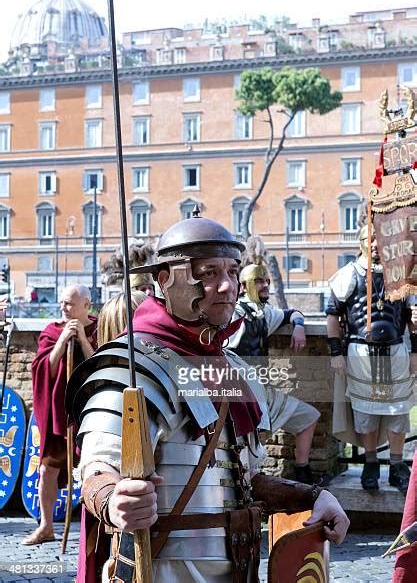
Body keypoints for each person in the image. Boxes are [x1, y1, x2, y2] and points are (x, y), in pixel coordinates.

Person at [66, 212, 349, 582]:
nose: (227, 285)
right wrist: (114, 501)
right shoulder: (132, 366)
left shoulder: (230, 367)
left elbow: (239, 481)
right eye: (209, 272)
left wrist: (312, 497)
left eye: (232, 271)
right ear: (165, 279)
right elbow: (97, 469)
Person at [326, 225, 417, 492]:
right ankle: (370, 464)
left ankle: (398, 465)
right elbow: (332, 316)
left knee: (399, 411)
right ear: (362, 242)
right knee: (365, 412)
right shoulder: (348, 275)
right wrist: (335, 353)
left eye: (379, 238)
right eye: (370, 238)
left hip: (397, 351)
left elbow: (412, 321)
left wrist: (415, 352)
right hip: (361, 353)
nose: (375, 243)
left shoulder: (401, 275)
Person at [227, 263, 320, 483]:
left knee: (309, 416)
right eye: (259, 281)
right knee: (246, 451)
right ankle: (246, 495)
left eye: (267, 281)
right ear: (244, 286)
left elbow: (293, 313)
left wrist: (298, 326)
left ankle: (302, 473)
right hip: (238, 395)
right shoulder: (232, 314)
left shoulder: (264, 312)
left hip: (262, 391)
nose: (265, 285)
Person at [22, 284, 97, 545]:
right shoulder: (52, 331)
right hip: (59, 415)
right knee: (47, 470)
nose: (63, 308)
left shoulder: (99, 328)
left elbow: (100, 365)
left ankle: (96, 529)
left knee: (95, 470)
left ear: (86, 305)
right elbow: (44, 369)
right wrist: (63, 340)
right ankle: (46, 526)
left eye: (69, 304)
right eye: (62, 303)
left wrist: (84, 341)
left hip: (88, 413)